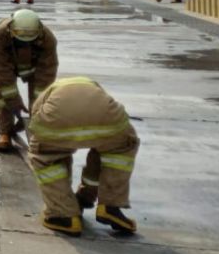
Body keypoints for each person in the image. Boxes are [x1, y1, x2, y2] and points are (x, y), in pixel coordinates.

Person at [28, 76, 139, 236]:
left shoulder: (49, 93)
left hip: (57, 119)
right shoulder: (95, 88)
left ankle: (63, 216)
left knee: (47, 158)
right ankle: (109, 206)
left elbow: (36, 119)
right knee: (118, 150)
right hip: (108, 119)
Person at [0, 9, 58, 152]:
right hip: (8, 66)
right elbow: (2, 71)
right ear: (11, 30)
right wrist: (14, 102)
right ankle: (4, 133)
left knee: (41, 98)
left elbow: (46, 71)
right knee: (3, 95)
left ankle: (38, 134)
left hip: (35, 69)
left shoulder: (47, 38)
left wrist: (36, 104)